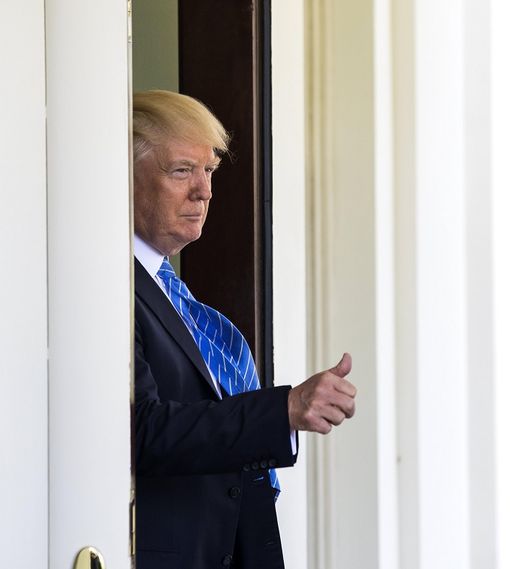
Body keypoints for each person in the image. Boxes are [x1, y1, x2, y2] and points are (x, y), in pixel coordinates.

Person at [132, 90, 357, 569]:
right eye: (181, 170)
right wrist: (285, 409)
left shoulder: (185, 304)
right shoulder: (106, 292)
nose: (204, 191)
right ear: (123, 173)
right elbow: (143, 431)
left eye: (209, 170)